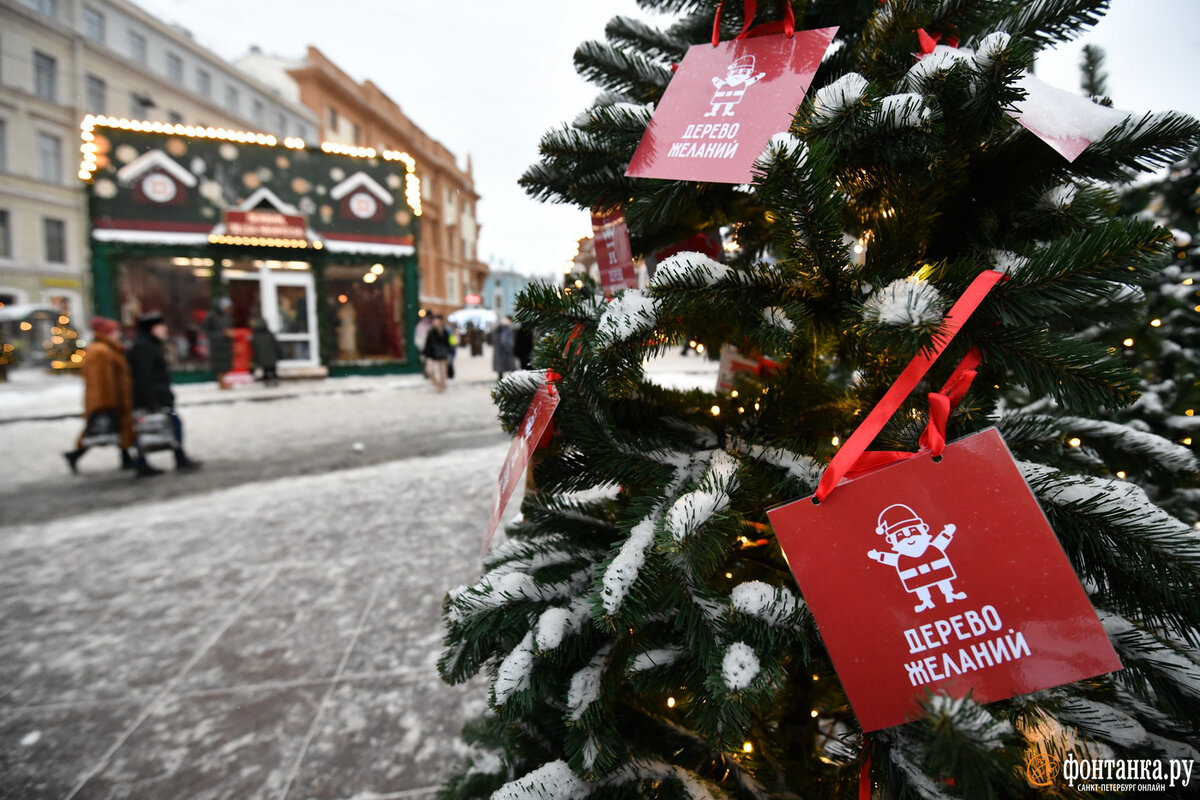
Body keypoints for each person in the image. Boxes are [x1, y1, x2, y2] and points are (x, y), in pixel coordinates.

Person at [127, 311, 201, 476]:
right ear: (152, 328)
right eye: (161, 326)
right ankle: (170, 459)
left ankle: (150, 461)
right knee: (160, 427)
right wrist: (152, 400)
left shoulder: (151, 345)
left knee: (154, 428)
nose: (164, 329)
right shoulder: (144, 348)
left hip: (158, 397)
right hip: (153, 399)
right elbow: (143, 376)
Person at [64, 317, 136, 473]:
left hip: (114, 396)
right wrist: (105, 403)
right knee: (101, 430)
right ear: (106, 333)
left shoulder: (108, 348)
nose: (117, 334)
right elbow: (99, 380)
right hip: (109, 398)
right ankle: (75, 454)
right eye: (114, 331)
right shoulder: (100, 351)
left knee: (115, 429)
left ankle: (126, 457)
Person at [204, 295, 234, 389]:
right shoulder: (212, 316)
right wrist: (221, 334)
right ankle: (221, 383)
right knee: (219, 365)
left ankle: (223, 382)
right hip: (217, 345)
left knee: (225, 364)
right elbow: (206, 330)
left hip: (226, 345)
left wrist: (230, 333)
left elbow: (228, 327)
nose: (228, 309)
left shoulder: (226, 316)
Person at [422, 314, 452, 393]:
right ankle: (437, 384)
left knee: (443, 371)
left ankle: (443, 386)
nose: (435, 322)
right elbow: (427, 343)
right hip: (431, 354)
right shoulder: (430, 331)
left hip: (442, 354)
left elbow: (448, 343)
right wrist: (425, 353)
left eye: (437, 321)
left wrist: (449, 352)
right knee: (430, 370)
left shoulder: (444, 331)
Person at [251, 317, 280, 386]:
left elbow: (254, 348)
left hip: (262, 358)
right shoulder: (270, 334)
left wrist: (255, 358)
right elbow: (276, 346)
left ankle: (267, 382)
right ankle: (274, 381)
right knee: (273, 371)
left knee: (265, 371)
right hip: (272, 357)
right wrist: (279, 355)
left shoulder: (256, 336)